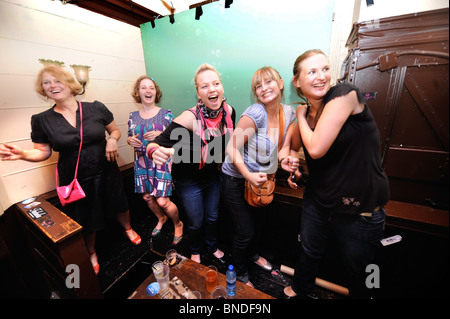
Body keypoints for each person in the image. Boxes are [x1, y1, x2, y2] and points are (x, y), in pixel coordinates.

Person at [0, 66, 141, 275]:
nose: (52, 86)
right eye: (46, 83)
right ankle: (91, 251)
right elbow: (42, 152)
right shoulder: (41, 120)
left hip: (106, 168)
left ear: (71, 84)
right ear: (43, 90)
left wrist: (112, 140)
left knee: (118, 201)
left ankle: (128, 228)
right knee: (86, 216)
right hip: (76, 177)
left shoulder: (96, 108)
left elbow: (115, 130)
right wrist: (22, 154)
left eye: (57, 81)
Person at [283, 49, 390, 298]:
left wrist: (298, 114)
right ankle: (300, 288)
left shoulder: (346, 94)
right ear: (297, 82)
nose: (321, 76)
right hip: (319, 199)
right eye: (312, 71)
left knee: (363, 269)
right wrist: (287, 158)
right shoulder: (307, 114)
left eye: (325, 69)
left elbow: (316, 148)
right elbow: (291, 146)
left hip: (360, 206)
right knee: (308, 251)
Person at [147, 63, 235, 264]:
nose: (212, 89)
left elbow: (227, 141)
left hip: (211, 175)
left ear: (221, 87)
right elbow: (156, 143)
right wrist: (155, 152)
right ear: (198, 93)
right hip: (187, 180)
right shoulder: (189, 117)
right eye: (205, 86)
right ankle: (195, 248)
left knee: (212, 217)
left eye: (216, 83)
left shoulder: (229, 112)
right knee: (195, 222)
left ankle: (211, 246)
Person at [220, 66, 297, 287]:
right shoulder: (255, 113)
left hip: (261, 183)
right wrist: (249, 175)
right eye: (258, 86)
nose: (264, 88)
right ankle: (240, 275)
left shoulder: (288, 113)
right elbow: (231, 149)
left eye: (269, 82)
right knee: (245, 231)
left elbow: (283, 149)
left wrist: (287, 162)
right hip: (235, 179)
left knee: (259, 225)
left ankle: (253, 256)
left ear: (281, 83)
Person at [127, 76, 183, 245]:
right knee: (147, 198)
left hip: (160, 162)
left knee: (163, 201)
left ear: (156, 92)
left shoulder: (166, 114)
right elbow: (131, 137)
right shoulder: (132, 116)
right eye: (143, 88)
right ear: (138, 92)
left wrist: (160, 136)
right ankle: (161, 218)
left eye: (151, 88)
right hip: (141, 160)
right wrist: (129, 141)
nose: (148, 91)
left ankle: (177, 224)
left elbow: (177, 140)